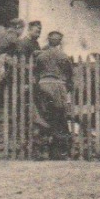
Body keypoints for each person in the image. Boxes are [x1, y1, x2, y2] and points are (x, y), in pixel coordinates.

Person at [32, 31, 75, 159]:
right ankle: (58, 153)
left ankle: (40, 152)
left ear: (48, 40)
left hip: (43, 85)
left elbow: (36, 75)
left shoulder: (40, 57)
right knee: (59, 117)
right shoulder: (64, 56)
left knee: (42, 117)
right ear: (60, 42)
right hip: (58, 86)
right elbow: (70, 76)